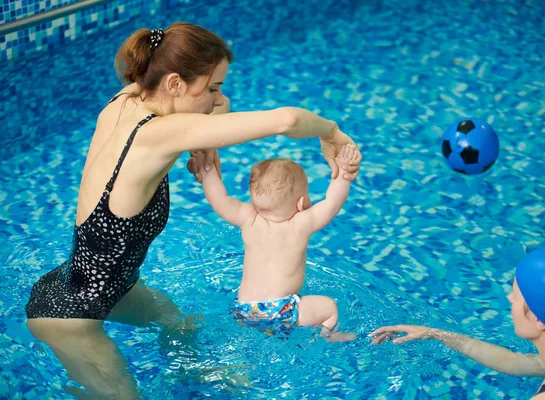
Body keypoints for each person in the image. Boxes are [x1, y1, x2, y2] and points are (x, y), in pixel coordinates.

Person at [24, 22, 361, 399]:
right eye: (213, 87)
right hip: (70, 315)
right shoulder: (158, 136)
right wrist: (332, 134)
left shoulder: (129, 100)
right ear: (174, 84)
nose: (219, 99)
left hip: (104, 287)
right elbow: (288, 121)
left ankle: (196, 380)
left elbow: (219, 113)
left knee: (179, 326)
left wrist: (208, 137)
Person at [370, 245, 545, 399]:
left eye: (515, 296)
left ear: (538, 317)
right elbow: (515, 362)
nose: (509, 299)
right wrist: (435, 333)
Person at [196, 145, 360, 342]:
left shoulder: (248, 218)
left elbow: (219, 199)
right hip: (280, 311)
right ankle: (327, 336)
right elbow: (332, 203)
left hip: (244, 310)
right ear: (301, 203)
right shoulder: (301, 224)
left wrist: (207, 171)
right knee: (329, 306)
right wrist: (344, 174)